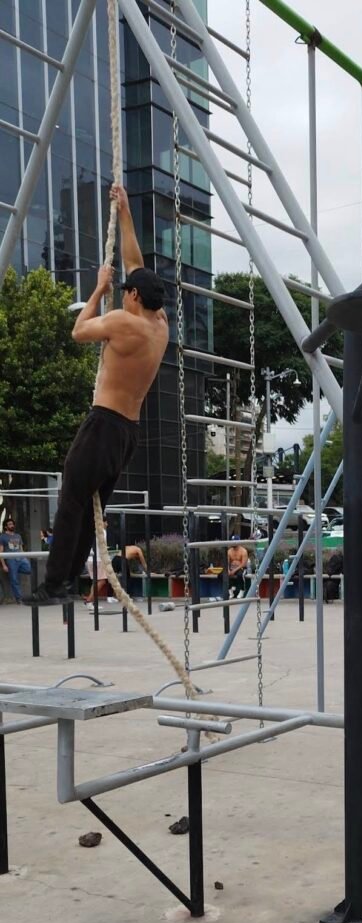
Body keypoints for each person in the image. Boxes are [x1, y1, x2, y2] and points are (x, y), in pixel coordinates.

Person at [25, 183, 168, 606]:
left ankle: (55, 584)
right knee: (91, 508)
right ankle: (70, 581)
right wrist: (125, 212)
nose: (122, 292)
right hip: (127, 433)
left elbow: (79, 330)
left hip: (103, 423)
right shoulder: (159, 324)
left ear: (133, 296)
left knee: (72, 498)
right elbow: (136, 263)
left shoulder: (125, 322)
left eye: (124, 290)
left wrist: (98, 290)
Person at [0, 518, 31, 604]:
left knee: (29, 570)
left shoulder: (18, 536)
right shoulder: (2, 537)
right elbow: (1, 552)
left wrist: (24, 557)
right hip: (11, 560)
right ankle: (19, 599)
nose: (12, 525)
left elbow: (21, 549)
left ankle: (14, 571)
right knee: (14, 580)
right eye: (9, 524)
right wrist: (4, 565)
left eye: (12, 524)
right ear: (6, 527)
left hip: (20, 558)